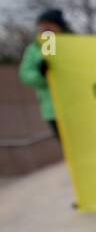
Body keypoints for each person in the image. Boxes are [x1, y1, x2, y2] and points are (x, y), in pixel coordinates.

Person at [19, 8, 72, 147]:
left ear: (59, 26)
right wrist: (42, 74)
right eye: (43, 24)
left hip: (79, 106)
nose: (46, 27)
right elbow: (26, 75)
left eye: (50, 23)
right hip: (54, 110)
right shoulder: (36, 49)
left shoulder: (73, 44)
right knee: (69, 147)